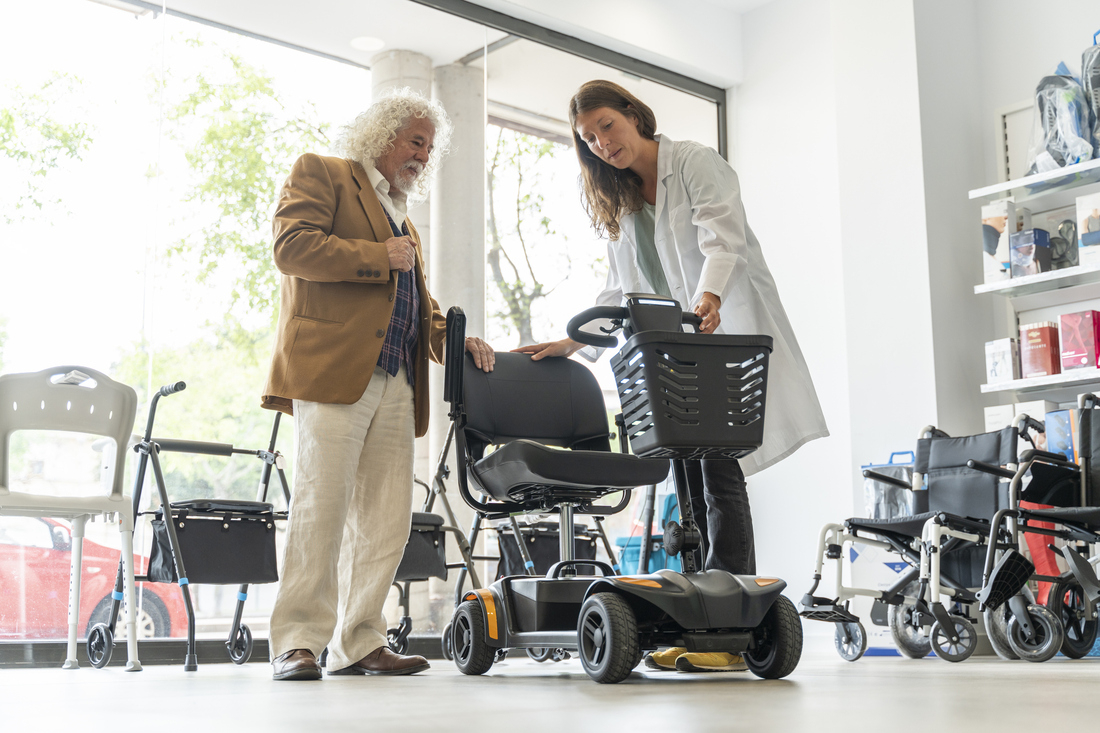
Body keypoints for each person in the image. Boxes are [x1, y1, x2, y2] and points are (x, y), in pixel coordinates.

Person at [513, 80, 828, 673]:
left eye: (607, 125)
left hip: (719, 332)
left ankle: (729, 624)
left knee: (718, 471)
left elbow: (722, 235)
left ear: (633, 115)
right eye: (588, 138)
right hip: (670, 353)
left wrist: (709, 296)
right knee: (683, 471)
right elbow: (620, 286)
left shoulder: (695, 164)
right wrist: (571, 341)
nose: (602, 144)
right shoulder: (625, 202)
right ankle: (695, 612)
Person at [262, 88, 495, 681]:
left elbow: (417, 301)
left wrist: (453, 336)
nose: (423, 154)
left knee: (386, 517)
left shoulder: (404, 218)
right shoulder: (326, 174)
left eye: (430, 146)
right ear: (382, 133)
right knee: (321, 507)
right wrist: (376, 254)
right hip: (335, 371)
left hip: (396, 381)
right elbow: (291, 247)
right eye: (416, 139)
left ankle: (360, 639)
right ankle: (298, 642)